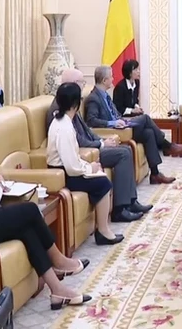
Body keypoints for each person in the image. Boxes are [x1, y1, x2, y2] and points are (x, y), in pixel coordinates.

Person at [0, 96, 92, 310]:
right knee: (30, 210)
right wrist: (0, 184)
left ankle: (57, 290)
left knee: (26, 230)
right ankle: (59, 260)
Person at [50, 68, 152, 222]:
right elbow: (78, 141)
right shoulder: (60, 112)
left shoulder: (68, 108)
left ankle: (130, 202)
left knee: (127, 147)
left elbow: (86, 130)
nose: (84, 87)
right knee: (123, 153)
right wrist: (100, 146)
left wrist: (102, 141)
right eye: (81, 83)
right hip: (84, 153)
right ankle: (120, 208)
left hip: (85, 151)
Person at [49, 83, 123, 246]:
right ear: (76, 103)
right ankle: (103, 231)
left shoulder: (62, 121)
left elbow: (72, 157)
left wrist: (89, 165)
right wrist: (90, 168)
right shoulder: (64, 128)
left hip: (66, 170)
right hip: (63, 175)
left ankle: (102, 228)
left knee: (99, 174)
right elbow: (71, 167)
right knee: (103, 183)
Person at [85, 65, 182, 183]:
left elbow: (116, 113)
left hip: (122, 126)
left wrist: (120, 120)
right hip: (114, 131)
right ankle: (167, 146)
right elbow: (91, 121)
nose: (113, 79)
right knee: (145, 118)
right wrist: (113, 122)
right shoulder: (93, 98)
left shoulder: (105, 95)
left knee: (148, 133)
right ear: (104, 80)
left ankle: (155, 174)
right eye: (111, 77)